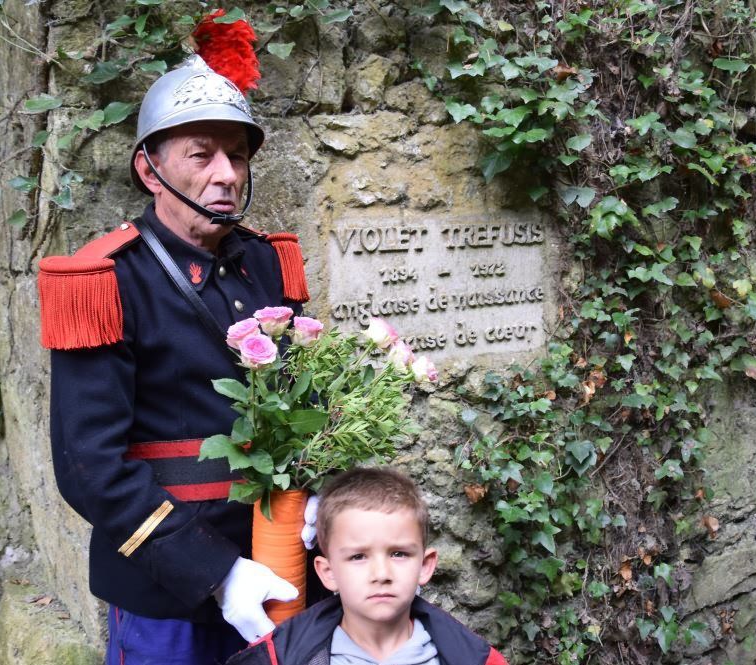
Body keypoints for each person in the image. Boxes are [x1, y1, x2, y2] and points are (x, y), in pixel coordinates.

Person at [37, 13, 313, 665]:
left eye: (237, 154)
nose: (226, 174)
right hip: (166, 590)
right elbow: (89, 468)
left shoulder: (268, 262)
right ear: (148, 168)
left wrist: (317, 491)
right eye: (202, 154)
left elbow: (300, 404)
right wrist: (216, 573)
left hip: (276, 569)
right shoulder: (105, 279)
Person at [226, 468, 508, 665]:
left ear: (425, 566)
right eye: (358, 557)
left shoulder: (473, 659)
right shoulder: (281, 658)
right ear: (328, 572)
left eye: (398, 554)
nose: (381, 575)